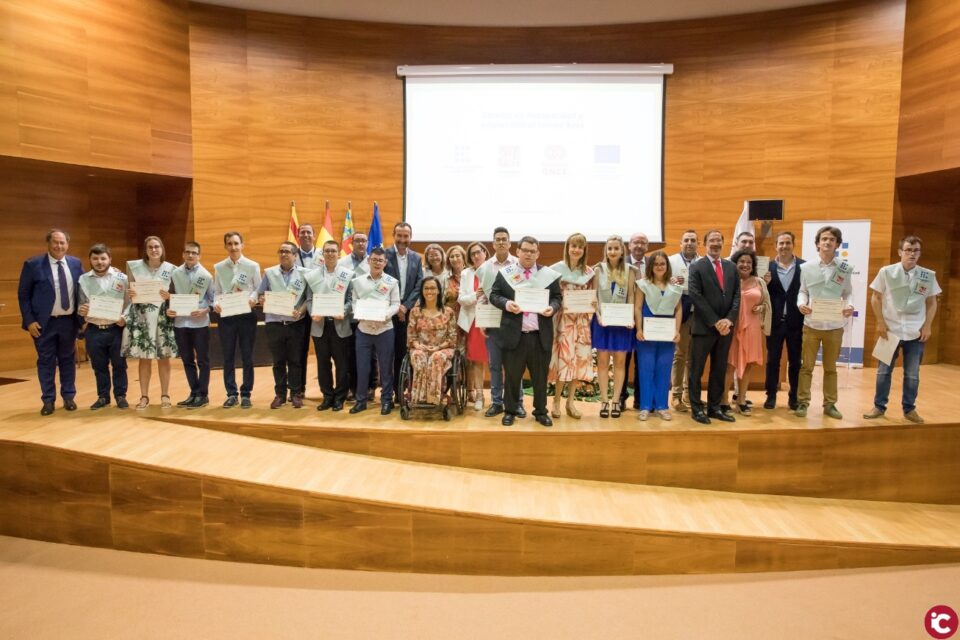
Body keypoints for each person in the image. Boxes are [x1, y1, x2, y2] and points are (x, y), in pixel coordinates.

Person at [863, 235, 940, 424]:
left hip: (915, 331)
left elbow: (932, 302)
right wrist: (880, 322)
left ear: (920, 253)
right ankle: (879, 406)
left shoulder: (927, 275)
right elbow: (875, 297)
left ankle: (909, 409)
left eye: (916, 251)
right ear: (900, 252)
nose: (912, 254)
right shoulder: (886, 272)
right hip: (890, 330)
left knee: (912, 374)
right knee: (883, 372)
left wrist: (927, 326)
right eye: (908, 250)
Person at [489, 236, 562, 427]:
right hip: (515, 336)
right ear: (518, 252)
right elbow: (494, 295)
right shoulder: (506, 274)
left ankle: (540, 412)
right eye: (525, 250)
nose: (529, 254)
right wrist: (507, 303)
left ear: (538, 253)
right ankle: (510, 411)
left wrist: (553, 308)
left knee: (540, 378)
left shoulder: (548, 275)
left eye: (533, 251)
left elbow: (557, 297)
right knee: (512, 377)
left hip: (540, 336)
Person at [18, 228, 83, 415]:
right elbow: (23, 295)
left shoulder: (75, 264)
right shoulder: (33, 264)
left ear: (67, 245)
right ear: (48, 243)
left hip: (69, 322)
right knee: (46, 361)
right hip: (43, 324)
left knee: (67, 360)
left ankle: (69, 397)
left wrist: (112, 271)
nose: (59, 246)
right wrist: (29, 321)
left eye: (62, 242)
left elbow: (86, 286)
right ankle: (48, 400)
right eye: (55, 242)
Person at [796, 225, 854, 419]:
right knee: (806, 367)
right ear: (818, 243)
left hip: (835, 326)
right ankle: (803, 402)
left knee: (830, 368)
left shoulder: (844, 269)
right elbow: (803, 291)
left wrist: (850, 305)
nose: (827, 242)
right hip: (811, 325)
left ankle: (830, 404)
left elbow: (848, 293)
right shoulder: (807, 268)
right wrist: (801, 304)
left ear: (837, 244)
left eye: (832, 239)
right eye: (824, 239)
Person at [687, 229, 740, 425]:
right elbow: (695, 295)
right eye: (712, 240)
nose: (716, 244)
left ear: (723, 243)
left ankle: (714, 407)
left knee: (719, 369)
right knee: (696, 370)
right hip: (704, 327)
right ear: (705, 244)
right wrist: (715, 321)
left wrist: (729, 320)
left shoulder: (731, 267)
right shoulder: (696, 266)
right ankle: (696, 409)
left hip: (726, 329)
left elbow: (737, 296)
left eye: (719, 240)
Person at [125, 236, 178, 410]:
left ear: (162, 249)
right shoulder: (134, 267)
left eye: (157, 246)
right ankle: (144, 396)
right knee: (144, 358)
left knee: (164, 358)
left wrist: (170, 297)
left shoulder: (172, 269)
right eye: (150, 247)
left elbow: (177, 295)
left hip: (163, 318)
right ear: (145, 250)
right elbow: (129, 294)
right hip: (143, 318)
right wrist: (131, 294)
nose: (154, 250)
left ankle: (165, 395)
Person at [478, 227, 524, 418]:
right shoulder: (485, 267)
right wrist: (482, 321)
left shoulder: (519, 264)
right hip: (493, 320)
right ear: (493, 243)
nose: (501, 242)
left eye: (504, 239)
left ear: (510, 243)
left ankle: (517, 403)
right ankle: (496, 402)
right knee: (495, 365)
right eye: (498, 239)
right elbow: (482, 296)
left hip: (515, 321)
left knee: (515, 366)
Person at [257, 241, 310, 409]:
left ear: (295, 255)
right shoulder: (269, 273)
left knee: (295, 360)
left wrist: (301, 311)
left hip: (295, 323)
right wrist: (261, 299)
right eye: (281, 251)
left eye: (287, 251)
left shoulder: (305, 274)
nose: (283, 254)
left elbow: (309, 298)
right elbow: (260, 294)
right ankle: (280, 394)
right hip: (275, 323)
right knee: (278, 361)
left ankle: (295, 394)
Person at [549, 232, 595, 419]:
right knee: (564, 361)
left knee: (577, 361)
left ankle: (570, 402)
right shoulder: (555, 270)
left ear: (584, 250)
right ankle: (556, 402)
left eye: (580, 247)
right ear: (567, 248)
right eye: (573, 246)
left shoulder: (589, 273)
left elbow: (592, 296)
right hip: (563, 321)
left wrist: (592, 304)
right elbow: (550, 295)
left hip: (581, 322)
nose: (576, 250)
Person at [350, 247, 401, 415]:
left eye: (380, 260)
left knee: (386, 368)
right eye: (374, 260)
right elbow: (354, 302)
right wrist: (359, 312)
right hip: (363, 330)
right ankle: (361, 401)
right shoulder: (358, 282)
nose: (377, 263)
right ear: (368, 261)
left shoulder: (392, 282)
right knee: (362, 367)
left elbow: (396, 304)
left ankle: (387, 401)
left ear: (385, 263)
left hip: (384, 329)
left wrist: (385, 314)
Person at [77, 243, 129, 410]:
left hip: (116, 328)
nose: (99, 262)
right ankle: (103, 397)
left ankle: (120, 396)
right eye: (95, 258)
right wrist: (82, 310)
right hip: (94, 329)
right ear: (90, 260)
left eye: (103, 258)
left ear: (110, 259)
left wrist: (124, 318)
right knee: (99, 366)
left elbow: (130, 303)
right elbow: (80, 304)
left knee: (119, 365)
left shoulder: (122, 278)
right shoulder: (83, 279)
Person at [213, 231, 260, 409]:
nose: (233, 247)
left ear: (242, 245)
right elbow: (217, 292)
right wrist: (216, 303)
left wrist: (253, 299)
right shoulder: (219, 267)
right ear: (225, 246)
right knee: (228, 357)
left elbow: (258, 289)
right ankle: (231, 394)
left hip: (247, 316)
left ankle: (246, 393)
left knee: (247, 356)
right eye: (229, 244)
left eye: (236, 243)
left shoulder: (252, 266)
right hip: (227, 317)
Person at [306, 239, 354, 412]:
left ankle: (340, 397)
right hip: (320, 326)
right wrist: (313, 313)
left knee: (342, 364)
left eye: (333, 251)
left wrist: (344, 311)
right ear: (322, 254)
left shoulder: (348, 275)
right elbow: (309, 300)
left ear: (338, 253)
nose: (330, 254)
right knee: (323, 364)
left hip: (340, 325)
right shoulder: (313, 275)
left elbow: (351, 300)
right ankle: (327, 396)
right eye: (327, 251)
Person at [592, 235, 636, 419]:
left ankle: (616, 400)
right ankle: (604, 400)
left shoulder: (630, 270)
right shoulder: (598, 269)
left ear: (622, 250)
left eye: (616, 248)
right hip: (602, 321)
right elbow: (594, 296)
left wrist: (631, 317)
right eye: (609, 248)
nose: (612, 251)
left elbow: (631, 296)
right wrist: (598, 316)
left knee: (619, 362)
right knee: (602, 362)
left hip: (622, 323)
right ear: (606, 250)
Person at [634, 250, 682, 421]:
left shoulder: (674, 287)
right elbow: (637, 307)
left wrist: (677, 331)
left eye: (662, 264)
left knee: (664, 368)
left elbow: (678, 309)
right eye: (656, 264)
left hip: (667, 334)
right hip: (646, 334)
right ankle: (645, 406)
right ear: (650, 266)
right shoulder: (643, 284)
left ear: (667, 266)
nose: (659, 267)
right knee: (646, 369)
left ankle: (662, 406)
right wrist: (639, 329)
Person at [167, 242, 215, 408]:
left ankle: (203, 394)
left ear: (199, 256)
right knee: (187, 360)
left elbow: (213, 300)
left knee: (203, 360)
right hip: (181, 323)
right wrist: (169, 310)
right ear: (183, 254)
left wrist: (205, 310)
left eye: (194, 253)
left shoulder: (206, 275)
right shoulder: (175, 274)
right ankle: (194, 393)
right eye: (187, 252)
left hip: (200, 323)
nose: (190, 255)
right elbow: (170, 296)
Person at [724, 250, 771, 415]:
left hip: (752, 328)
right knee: (730, 364)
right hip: (732, 327)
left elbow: (766, 303)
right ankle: (724, 401)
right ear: (735, 264)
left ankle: (741, 400)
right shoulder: (728, 281)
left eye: (749, 262)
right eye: (741, 262)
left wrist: (761, 307)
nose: (745, 265)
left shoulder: (759, 282)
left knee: (749, 364)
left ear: (753, 265)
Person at [762, 231, 804, 410]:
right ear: (775, 246)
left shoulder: (804, 266)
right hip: (775, 322)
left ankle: (794, 397)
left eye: (788, 243)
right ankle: (771, 395)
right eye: (781, 243)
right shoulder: (767, 268)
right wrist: (764, 283)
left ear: (793, 245)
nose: (784, 246)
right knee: (772, 361)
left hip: (796, 322)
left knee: (795, 362)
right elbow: (760, 293)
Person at [384, 222, 423, 404]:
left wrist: (405, 306)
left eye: (406, 236)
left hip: (407, 314)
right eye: (399, 235)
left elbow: (419, 284)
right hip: (387, 314)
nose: (402, 239)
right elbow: (380, 282)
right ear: (394, 235)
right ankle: (388, 393)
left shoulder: (416, 258)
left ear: (410, 237)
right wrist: (395, 306)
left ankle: (401, 391)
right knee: (387, 355)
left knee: (403, 353)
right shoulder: (384, 255)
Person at [406, 277, 458, 405]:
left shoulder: (448, 312)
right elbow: (411, 336)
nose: (429, 291)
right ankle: (419, 397)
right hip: (420, 347)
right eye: (426, 288)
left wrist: (438, 347)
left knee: (436, 357)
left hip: (443, 348)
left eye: (433, 288)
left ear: (438, 291)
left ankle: (434, 398)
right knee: (419, 356)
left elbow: (452, 337)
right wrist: (418, 346)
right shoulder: (415, 312)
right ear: (422, 291)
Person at [668, 229, 700, 412]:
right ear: (680, 243)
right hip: (680, 310)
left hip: (700, 313)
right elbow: (661, 282)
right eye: (686, 240)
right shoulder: (671, 261)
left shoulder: (703, 262)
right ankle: (676, 395)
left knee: (694, 356)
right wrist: (671, 281)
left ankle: (690, 394)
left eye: (693, 240)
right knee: (679, 354)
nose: (689, 243)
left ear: (698, 244)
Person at [458, 241, 491, 411]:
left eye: (479, 252)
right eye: (473, 254)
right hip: (474, 322)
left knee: (497, 360)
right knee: (477, 360)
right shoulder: (466, 274)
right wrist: (475, 295)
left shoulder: (494, 269)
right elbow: (461, 299)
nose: (476, 256)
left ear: (485, 253)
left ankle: (499, 396)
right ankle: (479, 395)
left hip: (493, 320)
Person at [338, 231, 369, 400]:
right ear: (352, 243)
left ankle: (369, 387)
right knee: (349, 354)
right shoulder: (342, 263)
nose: (361, 243)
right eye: (357, 240)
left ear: (367, 243)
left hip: (367, 316)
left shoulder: (373, 262)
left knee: (369, 355)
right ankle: (351, 387)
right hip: (347, 316)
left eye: (364, 241)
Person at [621, 232, 649, 409]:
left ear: (647, 246)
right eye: (635, 242)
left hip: (647, 319)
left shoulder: (654, 263)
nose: (639, 246)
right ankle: (621, 398)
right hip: (623, 318)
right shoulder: (620, 264)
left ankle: (640, 399)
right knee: (623, 360)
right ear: (629, 245)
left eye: (643, 243)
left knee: (642, 361)